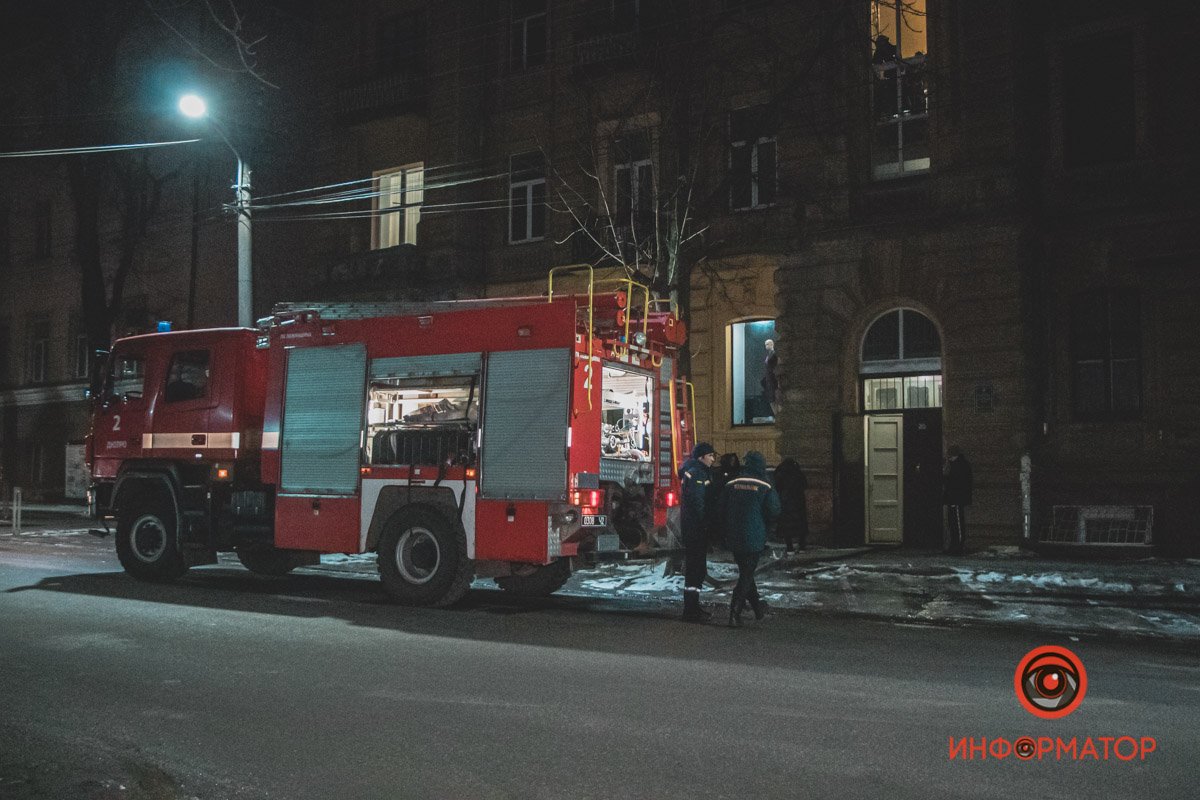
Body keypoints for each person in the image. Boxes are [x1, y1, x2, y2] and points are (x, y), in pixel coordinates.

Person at [720, 451, 781, 627]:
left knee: (746, 571)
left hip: (733, 535)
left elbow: (721, 508)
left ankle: (757, 609)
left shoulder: (732, 483)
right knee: (747, 574)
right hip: (754, 536)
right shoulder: (764, 485)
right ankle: (734, 612)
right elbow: (774, 510)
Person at [678, 442, 717, 622]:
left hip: (693, 526)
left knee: (696, 568)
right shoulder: (698, 473)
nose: (713, 459)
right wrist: (705, 523)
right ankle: (691, 609)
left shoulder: (693, 470)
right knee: (696, 569)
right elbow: (699, 500)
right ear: (701, 457)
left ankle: (692, 607)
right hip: (696, 528)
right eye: (710, 455)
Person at [772, 457, 809, 553]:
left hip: (785, 502)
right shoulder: (797, 472)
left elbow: (776, 486)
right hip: (798, 502)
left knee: (786, 526)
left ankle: (790, 548)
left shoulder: (780, 472)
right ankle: (802, 547)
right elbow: (805, 484)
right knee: (801, 525)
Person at [943, 445, 973, 554]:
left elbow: (955, 483)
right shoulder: (960, 464)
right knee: (955, 523)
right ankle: (955, 545)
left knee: (956, 523)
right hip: (956, 498)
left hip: (956, 498)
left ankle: (958, 546)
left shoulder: (959, 466)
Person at [710, 452, 741, 549]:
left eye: (734, 460)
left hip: (730, 503)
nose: (733, 462)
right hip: (723, 503)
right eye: (731, 460)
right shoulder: (720, 473)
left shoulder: (738, 473)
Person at [761, 339, 779, 418]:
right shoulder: (769, 355)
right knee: (771, 398)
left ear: (772, 344)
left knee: (774, 397)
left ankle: (778, 415)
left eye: (767, 344)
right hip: (769, 379)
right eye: (765, 344)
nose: (766, 346)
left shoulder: (774, 354)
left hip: (773, 378)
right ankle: (777, 415)